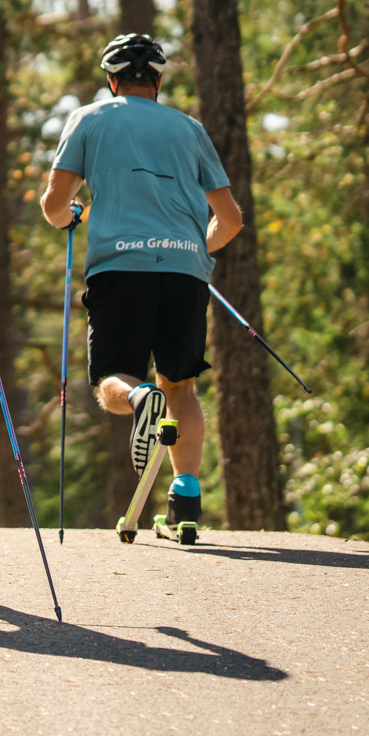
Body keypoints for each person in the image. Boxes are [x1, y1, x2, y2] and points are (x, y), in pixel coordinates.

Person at [38, 32, 245, 538]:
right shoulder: (190, 128)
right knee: (184, 386)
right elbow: (231, 219)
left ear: (112, 81)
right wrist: (197, 250)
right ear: (158, 79)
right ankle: (186, 502)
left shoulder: (88, 119)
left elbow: (53, 203)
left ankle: (137, 400)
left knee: (114, 380)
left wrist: (71, 218)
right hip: (185, 272)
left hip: (119, 266)